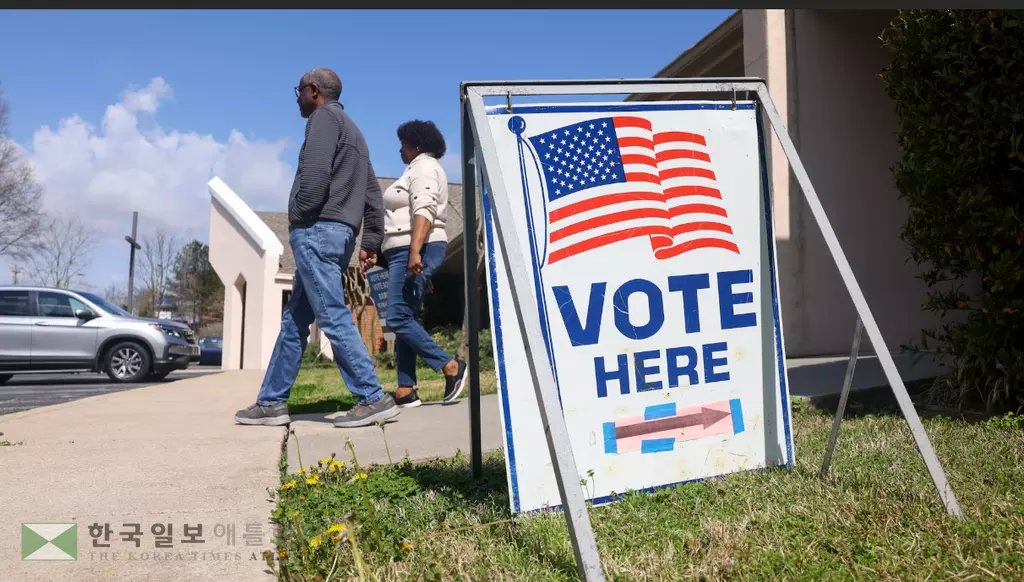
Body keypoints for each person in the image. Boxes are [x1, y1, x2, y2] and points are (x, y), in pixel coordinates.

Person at [234, 68, 400, 429]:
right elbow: (373, 194)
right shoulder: (355, 133)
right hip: (340, 236)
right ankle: (271, 402)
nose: (297, 98)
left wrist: (297, 215)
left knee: (330, 313)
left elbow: (314, 176)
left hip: (317, 231)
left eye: (299, 91)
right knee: (295, 320)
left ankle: (372, 397)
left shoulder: (323, 119)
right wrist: (371, 240)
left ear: (313, 91)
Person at [381, 120, 468, 409]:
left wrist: (416, 252)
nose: (399, 149)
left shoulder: (424, 168)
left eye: (403, 143)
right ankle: (406, 389)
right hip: (407, 250)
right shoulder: (414, 169)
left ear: (416, 145)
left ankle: (450, 367)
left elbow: (425, 208)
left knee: (396, 317)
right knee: (404, 315)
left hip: (412, 247)